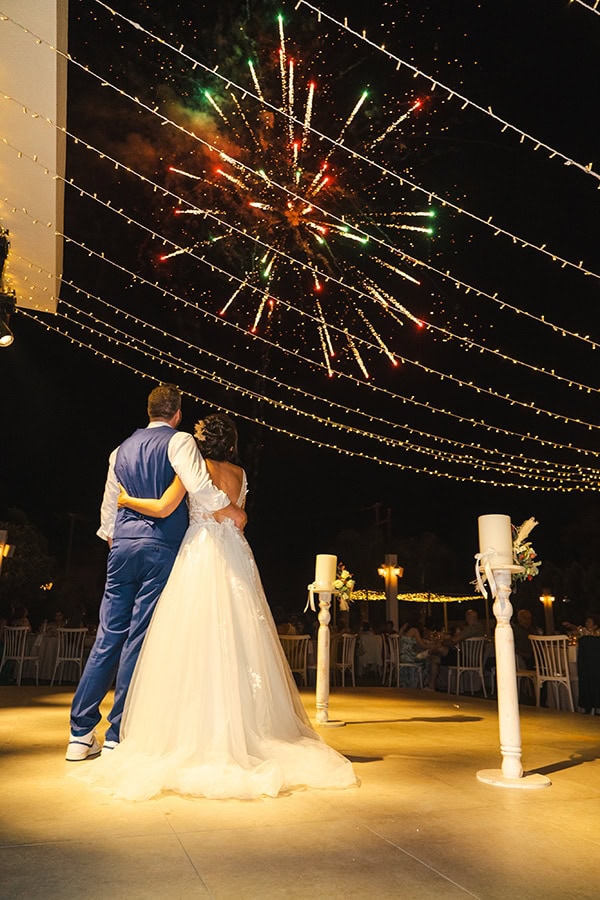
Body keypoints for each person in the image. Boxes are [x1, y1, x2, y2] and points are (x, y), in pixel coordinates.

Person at [74, 413, 357, 800]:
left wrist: (123, 499)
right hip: (235, 553)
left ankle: (185, 728)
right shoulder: (240, 472)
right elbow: (239, 515)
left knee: (192, 635)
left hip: (200, 551)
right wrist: (231, 513)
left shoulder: (194, 465)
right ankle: (246, 725)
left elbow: (166, 504)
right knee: (241, 634)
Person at [66, 385, 245, 762]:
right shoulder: (179, 442)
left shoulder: (119, 451)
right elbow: (200, 488)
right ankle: (117, 733)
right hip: (161, 547)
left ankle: (80, 734)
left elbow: (107, 510)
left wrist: (118, 541)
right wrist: (232, 511)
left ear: (148, 410)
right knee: (138, 638)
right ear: (177, 413)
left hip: (123, 548)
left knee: (107, 636)